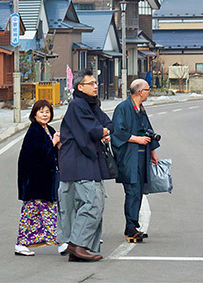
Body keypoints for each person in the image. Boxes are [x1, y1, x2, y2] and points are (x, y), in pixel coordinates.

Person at [58, 69, 113, 262]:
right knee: (92, 204)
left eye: (96, 83)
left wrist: (104, 130)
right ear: (80, 87)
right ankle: (77, 245)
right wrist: (102, 131)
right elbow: (92, 130)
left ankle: (80, 247)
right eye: (91, 83)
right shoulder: (77, 105)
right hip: (78, 162)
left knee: (90, 204)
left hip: (87, 162)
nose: (95, 86)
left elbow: (108, 123)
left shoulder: (90, 105)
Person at [111, 79, 160, 243]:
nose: (149, 92)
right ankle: (130, 228)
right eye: (147, 89)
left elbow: (149, 130)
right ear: (140, 92)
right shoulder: (123, 108)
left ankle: (133, 226)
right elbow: (117, 132)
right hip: (129, 157)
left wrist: (153, 151)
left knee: (138, 191)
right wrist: (136, 139)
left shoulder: (140, 109)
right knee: (132, 191)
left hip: (142, 156)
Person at [15, 99, 61, 256]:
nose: (45, 115)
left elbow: (52, 153)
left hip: (44, 181)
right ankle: (60, 242)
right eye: (41, 112)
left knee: (44, 213)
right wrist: (53, 143)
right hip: (34, 181)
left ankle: (59, 241)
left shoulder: (48, 129)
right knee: (33, 213)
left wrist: (57, 144)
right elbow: (39, 154)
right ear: (34, 114)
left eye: (47, 112)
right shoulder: (34, 132)